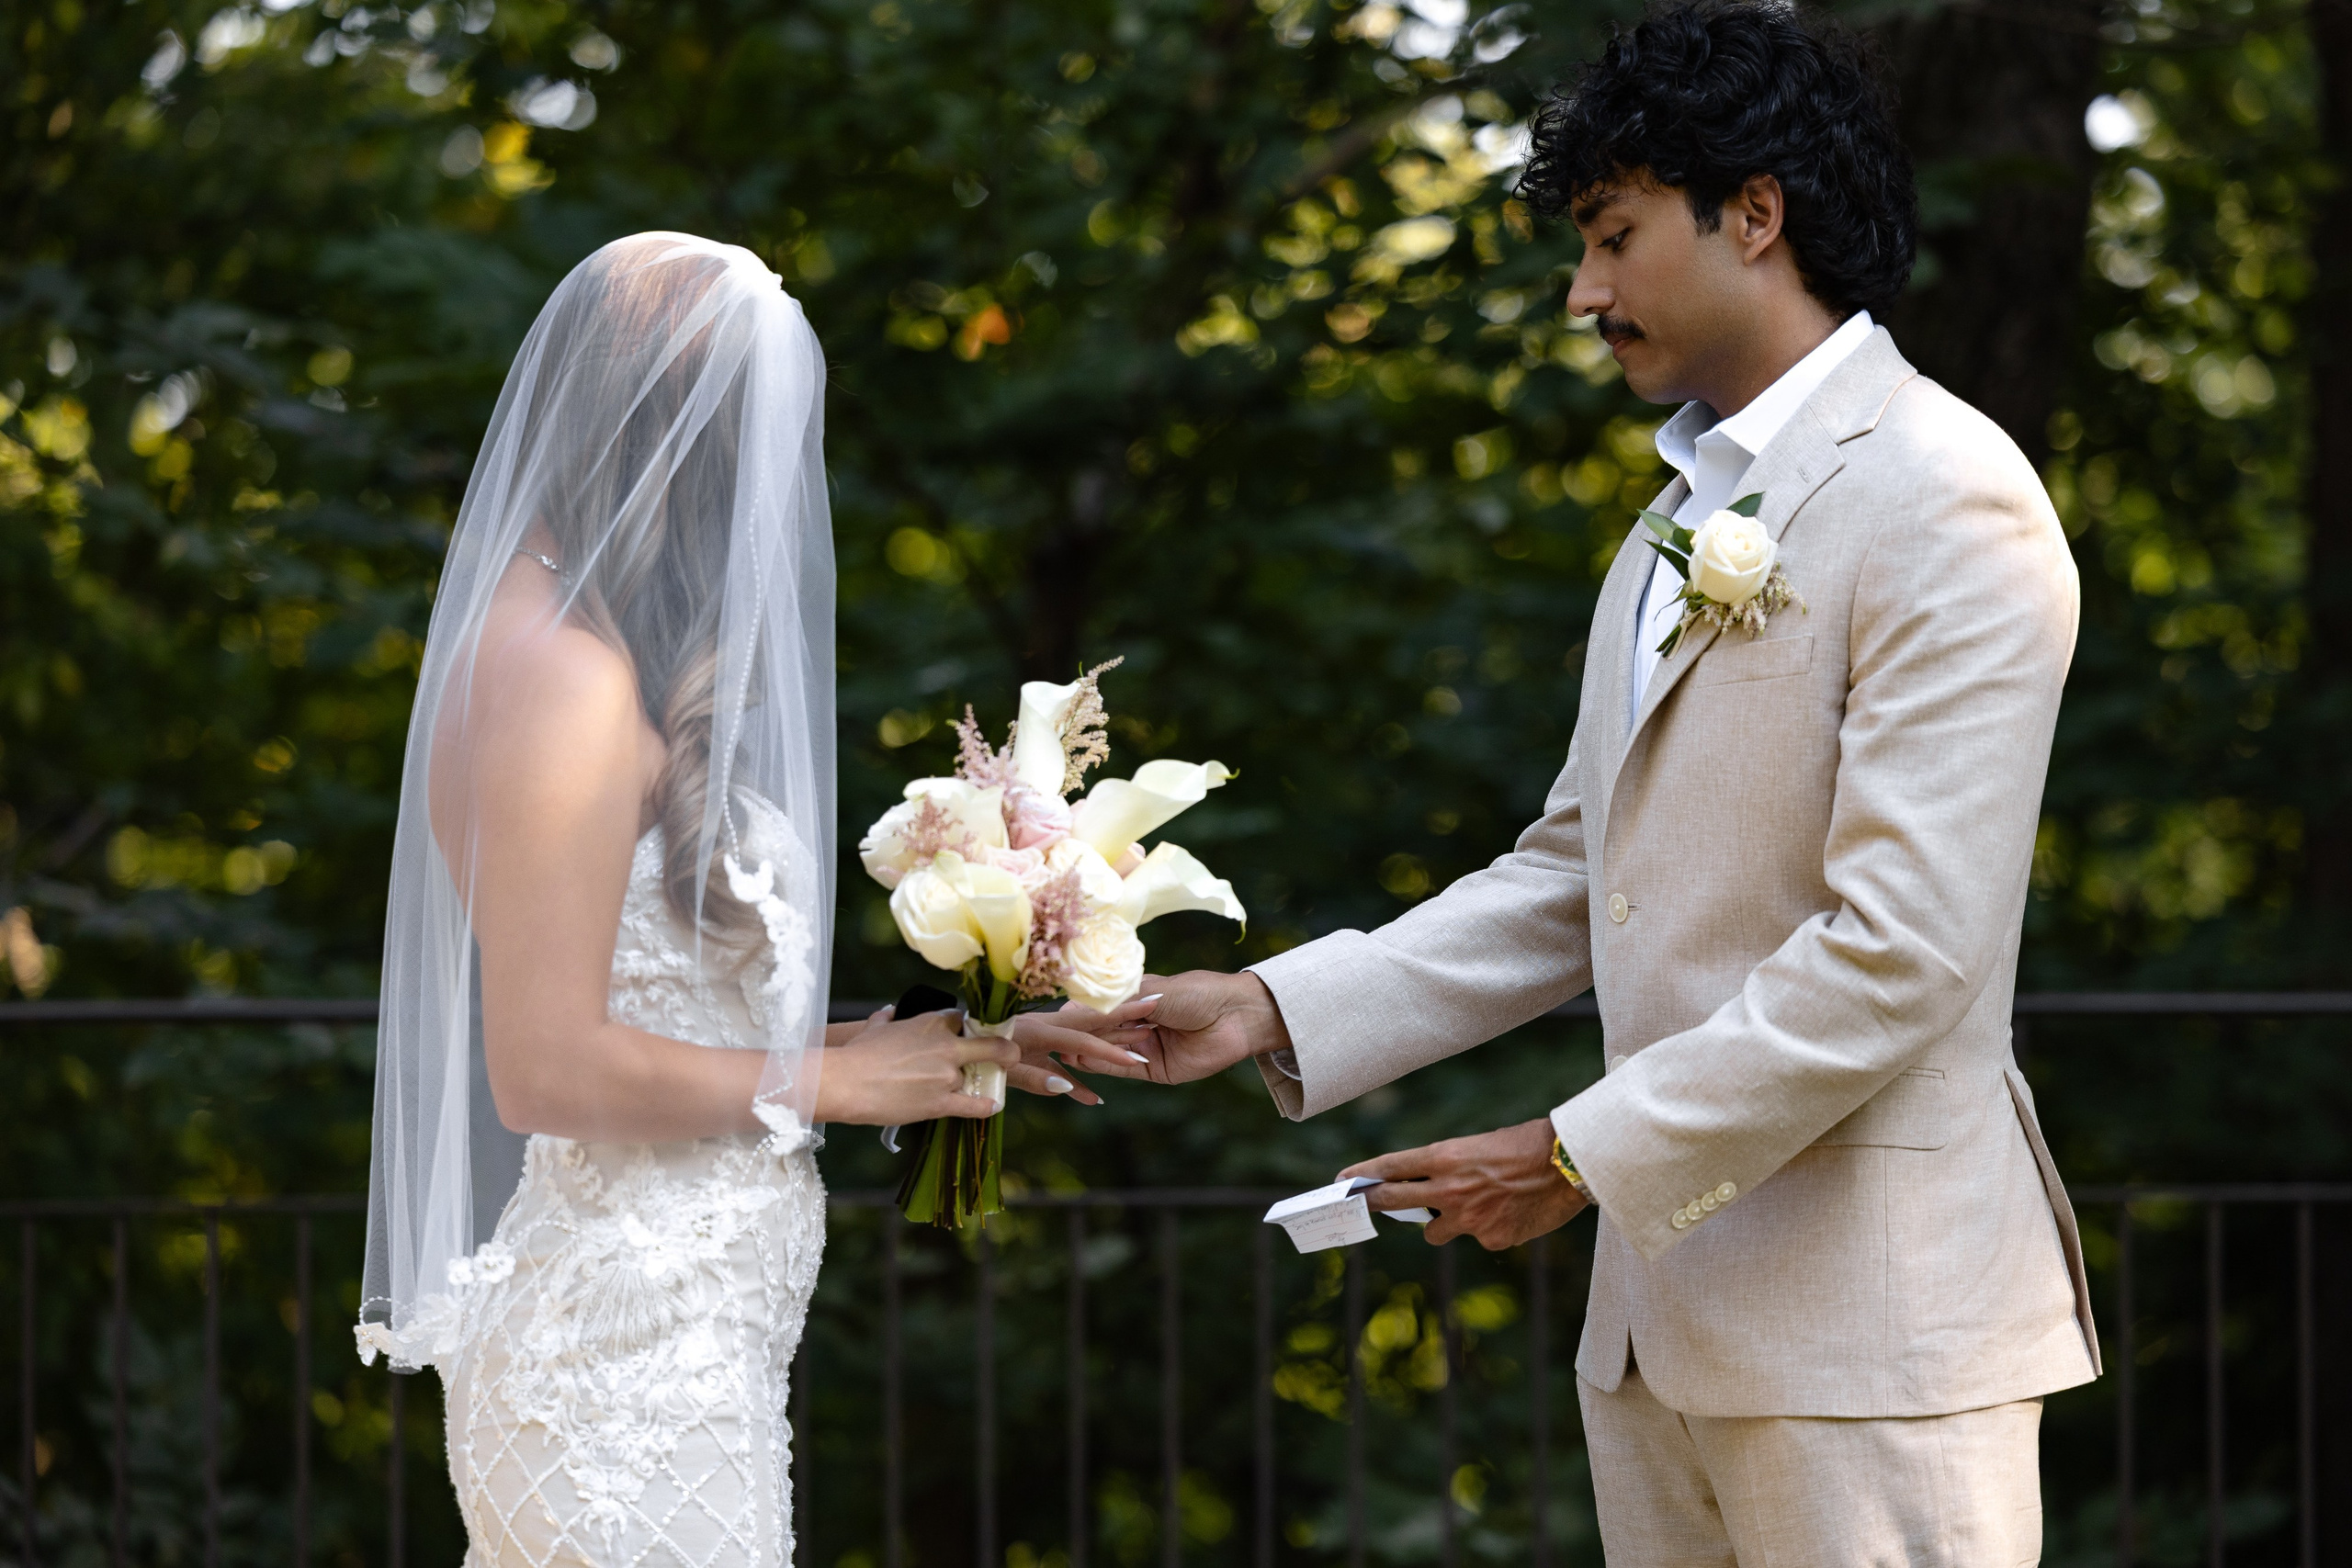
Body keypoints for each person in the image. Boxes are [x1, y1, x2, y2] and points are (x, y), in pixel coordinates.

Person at [1034, 5, 2100, 1561]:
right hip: (1660, 1333)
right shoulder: (1673, 525)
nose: (1585, 292)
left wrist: (1571, 1152)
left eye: (1613, 236)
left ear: (1756, 214)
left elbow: (1904, 953)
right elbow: (1574, 872)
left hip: (1875, 1348)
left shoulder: (1948, 497)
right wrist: (1272, 1007)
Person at [356, 234, 1128, 1568]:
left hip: (683, 1357)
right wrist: (830, 1084)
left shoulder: (572, 653)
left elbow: (655, 1014)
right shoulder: (564, 678)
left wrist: (934, 1048)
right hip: (621, 1380)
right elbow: (544, 1067)